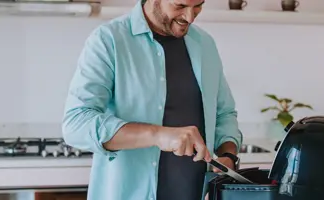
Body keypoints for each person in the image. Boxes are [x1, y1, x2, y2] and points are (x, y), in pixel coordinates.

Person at [62, 0, 243, 200]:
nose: (190, 17)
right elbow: (76, 123)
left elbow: (224, 113)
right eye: (180, 5)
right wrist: (158, 135)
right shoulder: (108, 40)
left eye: (198, 5)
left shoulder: (204, 44)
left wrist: (229, 156)